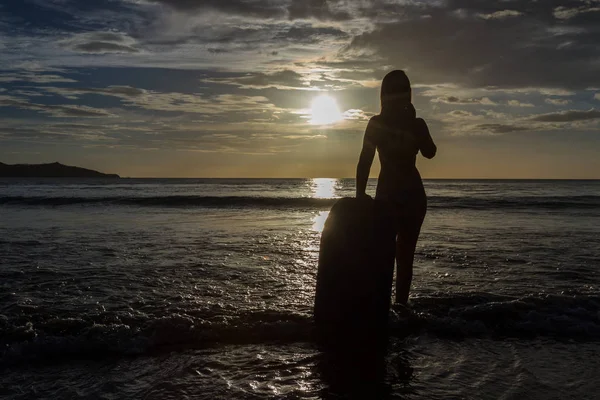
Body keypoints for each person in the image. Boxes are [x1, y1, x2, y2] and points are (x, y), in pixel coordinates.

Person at [355, 70, 437, 305]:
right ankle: (399, 307)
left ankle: (387, 308)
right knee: (404, 258)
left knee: (385, 254)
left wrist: (361, 194)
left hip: (390, 195)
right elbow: (430, 153)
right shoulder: (414, 124)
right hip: (410, 195)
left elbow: (365, 161)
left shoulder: (377, 124)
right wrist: (418, 128)